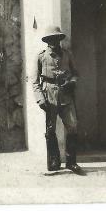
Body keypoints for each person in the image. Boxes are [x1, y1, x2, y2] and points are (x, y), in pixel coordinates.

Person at [32, 26, 84, 175]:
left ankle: (71, 162)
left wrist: (72, 82)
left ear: (59, 39)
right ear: (47, 42)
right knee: (50, 129)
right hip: (49, 97)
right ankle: (54, 160)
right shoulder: (41, 57)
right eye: (50, 39)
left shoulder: (67, 55)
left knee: (73, 126)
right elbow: (35, 81)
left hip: (66, 96)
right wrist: (40, 99)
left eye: (56, 38)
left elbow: (76, 74)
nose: (53, 42)